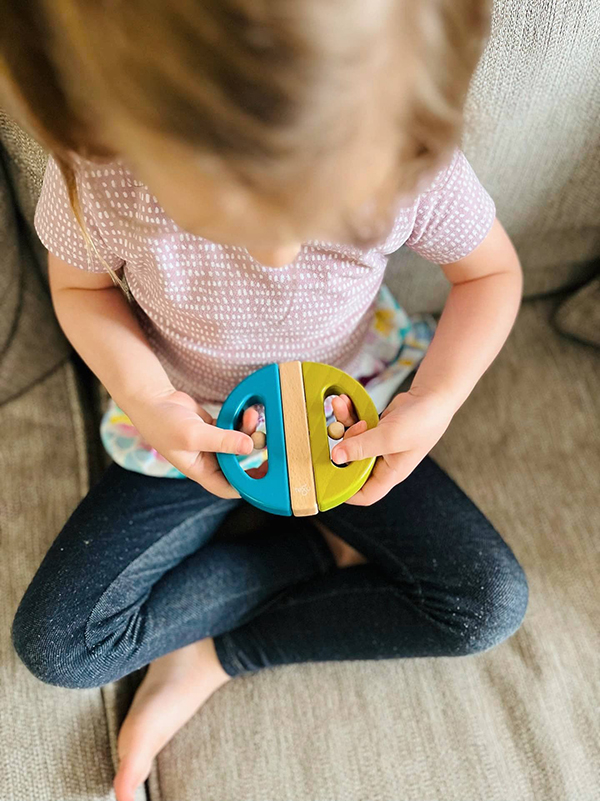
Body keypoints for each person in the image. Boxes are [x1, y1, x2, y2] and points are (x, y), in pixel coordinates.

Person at [3, 1, 528, 798]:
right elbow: (78, 287)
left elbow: (491, 275)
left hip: (358, 415)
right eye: (230, 220)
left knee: (486, 604)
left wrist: (437, 397)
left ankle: (215, 655)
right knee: (59, 646)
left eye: (319, 217)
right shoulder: (108, 169)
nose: (279, 254)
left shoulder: (400, 146)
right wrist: (145, 394)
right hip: (191, 432)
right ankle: (319, 552)